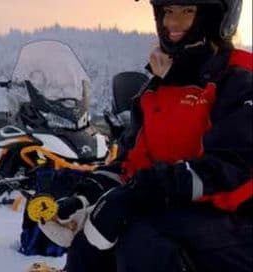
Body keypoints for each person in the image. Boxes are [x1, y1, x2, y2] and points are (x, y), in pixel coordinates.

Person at [43, 0, 252, 271]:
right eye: (168, 11)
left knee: (142, 240)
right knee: (91, 241)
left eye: (187, 11)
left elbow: (235, 167)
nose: (172, 23)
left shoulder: (238, 79)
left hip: (238, 221)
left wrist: (138, 195)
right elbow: (132, 163)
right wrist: (87, 196)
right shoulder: (155, 90)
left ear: (217, 18)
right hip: (179, 216)